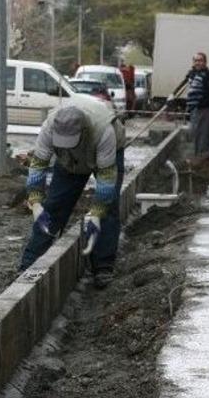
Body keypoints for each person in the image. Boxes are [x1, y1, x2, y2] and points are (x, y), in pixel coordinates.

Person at [19, 101, 125, 289]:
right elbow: (38, 166)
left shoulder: (104, 132)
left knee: (108, 207)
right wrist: (35, 203)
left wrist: (97, 213)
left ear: (83, 132)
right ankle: (29, 263)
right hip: (69, 162)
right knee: (54, 205)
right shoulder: (49, 128)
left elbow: (106, 180)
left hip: (105, 151)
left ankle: (103, 266)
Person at [185, 52, 209, 155]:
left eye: (200, 60)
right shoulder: (195, 74)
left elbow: (201, 90)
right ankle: (198, 156)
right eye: (196, 60)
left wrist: (194, 73)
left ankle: (202, 157)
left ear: (205, 62)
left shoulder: (207, 74)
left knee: (203, 135)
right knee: (195, 133)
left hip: (204, 109)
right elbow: (187, 84)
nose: (198, 62)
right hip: (195, 109)